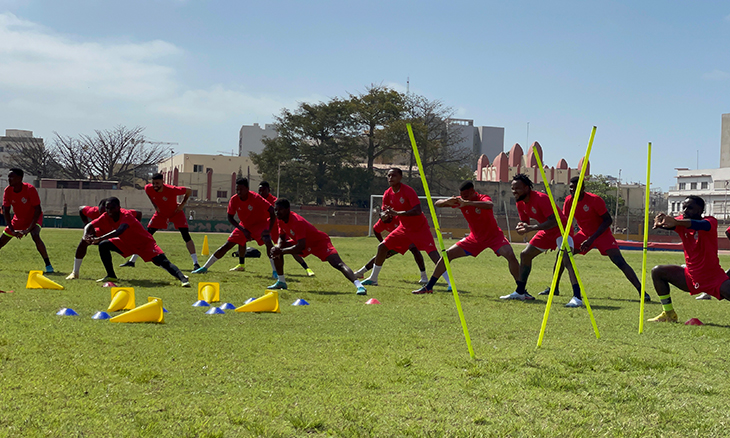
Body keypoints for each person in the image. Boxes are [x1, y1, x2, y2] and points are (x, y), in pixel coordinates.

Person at [543, 176, 650, 302]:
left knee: (619, 261)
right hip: (584, 234)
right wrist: (557, 240)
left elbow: (608, 220)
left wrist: (591, 239)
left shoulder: (594, 200)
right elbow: (565, 221)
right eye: (571, 188)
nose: (572, 191)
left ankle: (641, 291)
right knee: (562, 254)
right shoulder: (568, 201)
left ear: (582, 188)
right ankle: (554, 288)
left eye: (575, 188)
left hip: (601, 234)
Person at [413, 181, 520, 294]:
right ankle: (429, 287)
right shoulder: (460, 201)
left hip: (494, 237)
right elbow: (437, 203)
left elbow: (489, 205)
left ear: (473, 191)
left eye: (467, 196)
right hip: (475, 239)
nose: (464, 198)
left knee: (510, 255)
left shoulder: (482, 198)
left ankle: (521, 290)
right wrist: (446, 202)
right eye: (462, 196)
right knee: (447, 254)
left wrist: (468, 203)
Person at [361, 168, 450, 290]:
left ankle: (450, 283)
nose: (390, 178)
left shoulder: (408, 191)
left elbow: (417, 210)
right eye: (389, 176)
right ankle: (373, 278)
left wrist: (397, 213)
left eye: (394, 175)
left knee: (433, 254)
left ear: (400, 177)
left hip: (420, 228)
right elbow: (383, 212)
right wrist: (384, 216)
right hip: (404, 229)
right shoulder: (387, 193)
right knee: (382, 247)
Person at [502, 173, 580, 305]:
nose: (514, 191)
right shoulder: (520, 203)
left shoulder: (541, 198)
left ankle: (577, 298)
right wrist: (521, 227)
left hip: (562, 229)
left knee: (566, 259)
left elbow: (554, 221)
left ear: (526, 188)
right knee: (525, 255)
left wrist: (531, 228)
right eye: (512, 188)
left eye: (517, 188)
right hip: (546, 231)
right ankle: (520, 292)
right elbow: (524, 221)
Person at [649, 195, 730, 322]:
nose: (685, 210)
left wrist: (675, 222)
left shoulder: (710, 222)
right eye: (684, 207)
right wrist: (661, 223)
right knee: (657, 271)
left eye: (690, 208)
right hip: (691, 277)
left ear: (700, 211)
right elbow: (671, 224)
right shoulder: (681, 222)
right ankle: (669, 313)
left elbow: (699, 224)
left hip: (714, 278)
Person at [267, 198, 366, 295]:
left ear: (288, 210)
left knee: (338, 264)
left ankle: (359, 286)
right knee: (275, 250)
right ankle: (281, 282)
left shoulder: (297, 221)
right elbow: (282, 237)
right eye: (276, 210)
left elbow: (300, 246)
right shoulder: (280, 220)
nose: (277, 212)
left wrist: (281, 251)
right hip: (303, 243)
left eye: (280, 210)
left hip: (319, 242)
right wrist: (278, 247)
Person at [84, 197, 190, 287]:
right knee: (104, 245)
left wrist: (99, 238)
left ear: (119, 207)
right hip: (126, 243)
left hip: (144, 243)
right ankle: (111, 275)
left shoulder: (126, 215)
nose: (109, 211)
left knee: (163, 262)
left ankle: (183, 279)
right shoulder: (106, 216)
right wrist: (85, 235)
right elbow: (90, 225)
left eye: (112, 208)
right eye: (107, 208)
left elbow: (119, 231)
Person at [228, 181, 316, 276]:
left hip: (275, 228)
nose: (261, 193)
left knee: (286, 246)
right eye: (260, 190)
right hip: (263, 227)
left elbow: (279, 213)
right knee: (242, 239)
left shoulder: (274, 201)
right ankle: (241, 264)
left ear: (269, 190)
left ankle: (307, 268)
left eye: (264, 190)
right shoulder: (256, 199)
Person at [192, 178, 278, 275]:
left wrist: (269, 230)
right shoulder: (234, 199)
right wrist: (243, 230)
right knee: (227, 245)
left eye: (241, 189)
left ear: (247, 189)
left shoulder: (256, 197)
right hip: (244, 225)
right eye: (237, 189)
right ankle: (204, 268)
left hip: (259, 224)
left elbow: (272, 211)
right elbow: (230, 217)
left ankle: (275, 271)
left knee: (267, 241)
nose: (238, 192)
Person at [120, 173, 199, 270]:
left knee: (186, 236)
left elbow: (189, 191)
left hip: (176, 213)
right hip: (161, 215)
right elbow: (149, 194)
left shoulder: (171, 190)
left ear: (162, 182)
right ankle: (132, 261)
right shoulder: (148, 188)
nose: (155, 185)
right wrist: (155, 206)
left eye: (157, 183)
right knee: (145, 237)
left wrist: (182, 204)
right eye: (153, 183)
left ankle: (196, 264)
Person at [66, 199, 142, 279]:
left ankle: (132, 261)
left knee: (141, 246)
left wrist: (134, 227)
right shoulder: (93, 212)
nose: (106, 214)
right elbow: (81, 209)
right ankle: (75, 272)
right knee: (84, 242)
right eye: (102, 213)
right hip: (101, 232)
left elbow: (138, 213)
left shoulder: (122, 213)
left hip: (117, 233)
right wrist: (86, 224)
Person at [0, 168, 53, 273]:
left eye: (12, 177)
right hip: (18, 219)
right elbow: (6, 210)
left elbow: (38, 210)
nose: (9, 179)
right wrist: (12, 229)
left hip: (34, 218)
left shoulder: (30, 189)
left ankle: (48, 265)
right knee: (1, 241)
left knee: (35, 236)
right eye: (9, 177)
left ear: (20, 178)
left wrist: (28, 230)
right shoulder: (8, 190)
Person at [354, 214, 429, 284]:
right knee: (382, 254)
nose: (384, 216)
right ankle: (361, 273)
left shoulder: (398, 217)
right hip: (397, 241)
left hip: (408, 236)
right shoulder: (382, 221)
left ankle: (424, 276)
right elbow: (376, 230)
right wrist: (384, 243)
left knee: (415, 250)